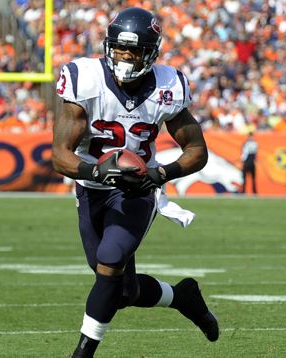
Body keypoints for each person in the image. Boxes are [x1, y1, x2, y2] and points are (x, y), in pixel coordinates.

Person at [50, 7, 219, 358]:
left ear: (152, 52)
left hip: (137, 191)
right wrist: (97, 171)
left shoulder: (168, 86)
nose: (126, 57)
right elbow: (60, 156)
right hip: (92, 188)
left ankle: (81, 354)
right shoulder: (85, 78)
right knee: (118, 290)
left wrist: (157, 176)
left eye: (135, 50)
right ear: (108, 46)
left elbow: (196, 150)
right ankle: (183, 297)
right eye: (120, 49)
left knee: (110, 261)